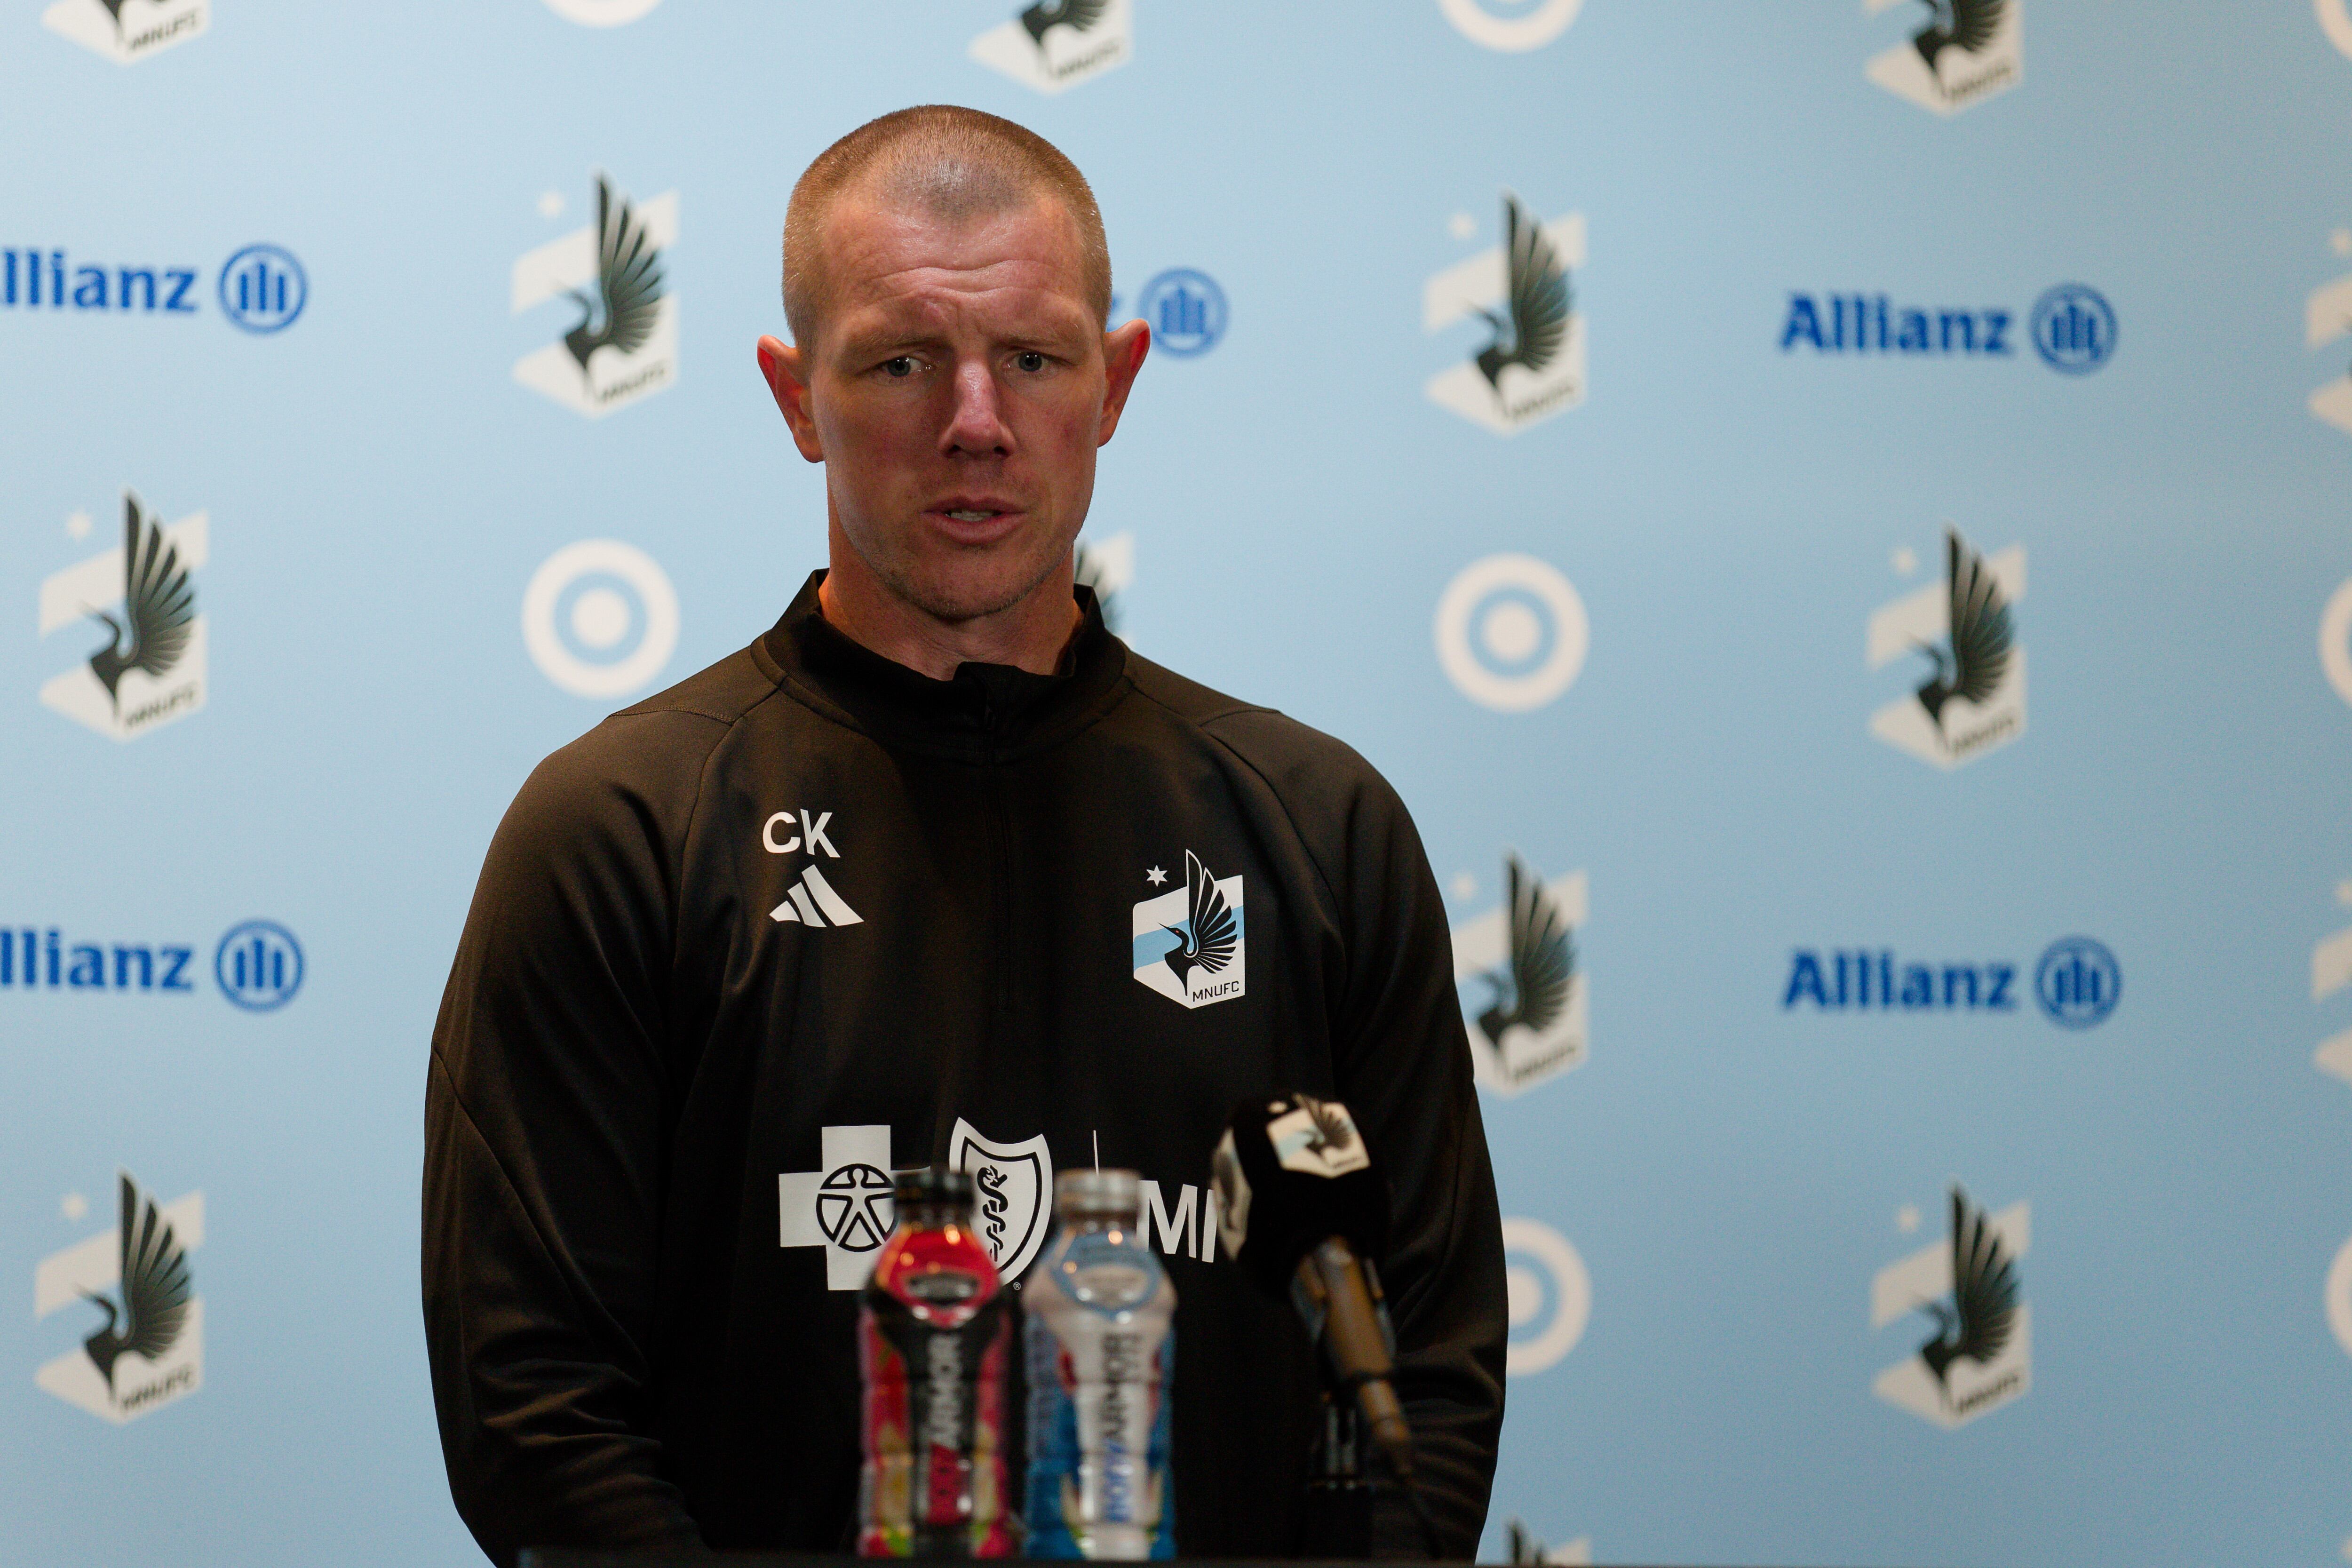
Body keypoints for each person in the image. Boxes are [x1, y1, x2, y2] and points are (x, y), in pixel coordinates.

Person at [422, 104, 1505, 1564]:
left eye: (1036, 359)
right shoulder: (625, 829)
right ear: (798, 396)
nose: (976, 422)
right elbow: (533, 1406)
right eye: (902, 361)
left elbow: (1422, 1383)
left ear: (1114, 384)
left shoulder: (1320, 829)